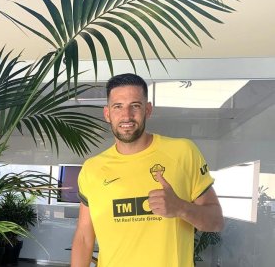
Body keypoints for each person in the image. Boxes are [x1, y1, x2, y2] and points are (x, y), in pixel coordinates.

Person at [71, 73, 224, 267]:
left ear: (148, 110)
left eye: (135, 105)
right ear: (107, 113)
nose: (126, 115)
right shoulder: (92, 169)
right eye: (118, 107)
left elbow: (216, 221)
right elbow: (84, 236)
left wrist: (181, 208)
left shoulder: (183, 152)